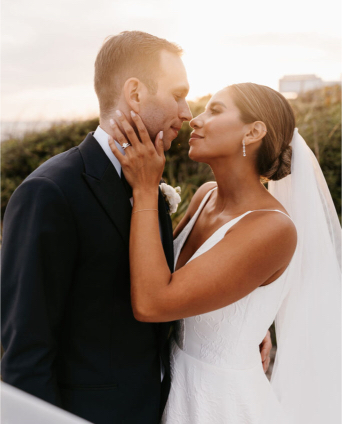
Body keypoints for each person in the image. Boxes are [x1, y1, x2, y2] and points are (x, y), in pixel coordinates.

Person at [1, 33, 273, 424]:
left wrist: (235, 327)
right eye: (178, 95)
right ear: (135, 94)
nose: (186, 113)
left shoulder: (150, 181)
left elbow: (173, 280)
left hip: (162, 405)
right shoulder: (51, 193)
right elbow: (26, 352)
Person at [108, 82, 341, 424]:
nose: (195, 121)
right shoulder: (205, 196)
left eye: (215, 111)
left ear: (253, 131)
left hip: (218, 403)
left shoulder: (273, 228)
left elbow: (152, 302)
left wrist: (145, 189)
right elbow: (175, 277)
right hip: (168, 379)